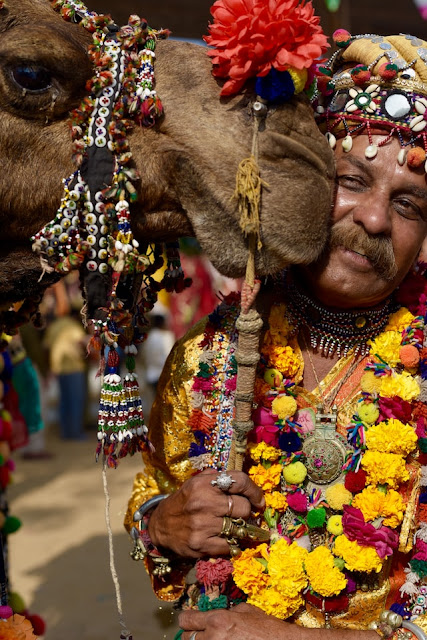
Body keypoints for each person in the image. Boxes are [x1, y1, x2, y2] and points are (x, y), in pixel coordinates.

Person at [125, 32, 427, 639]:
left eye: (409, 205)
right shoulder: (212, 354)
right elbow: (152, 490)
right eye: (352, 181)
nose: (373, 218)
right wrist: (161, 523)